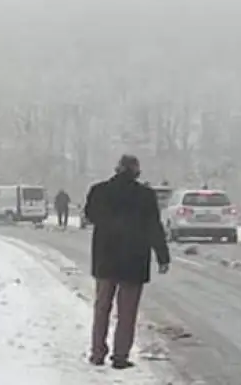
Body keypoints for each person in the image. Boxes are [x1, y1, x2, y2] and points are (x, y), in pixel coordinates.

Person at [83, 154, 170, 370]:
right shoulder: (145, 195)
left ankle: (97, 352)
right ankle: (120, 356)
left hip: (105, 258)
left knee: (102, 307)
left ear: (117, 169)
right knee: (127, 312)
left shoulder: (99, 191)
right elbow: (154, 227)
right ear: (136, 172)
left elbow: (90, 216)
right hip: (134, 259)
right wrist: (162, 256)